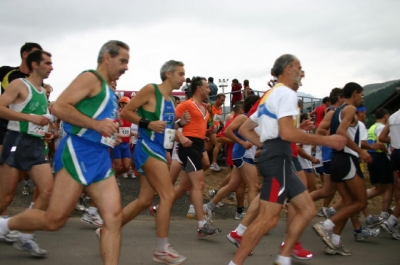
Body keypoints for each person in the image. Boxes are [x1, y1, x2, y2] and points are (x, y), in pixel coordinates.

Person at [0, 40, 129, 264]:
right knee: (54, 220)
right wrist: (96, 125)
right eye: (123, 60)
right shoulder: (90, 78)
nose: (126, 67)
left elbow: (98, 123)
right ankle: (5, 225)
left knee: (114, 218)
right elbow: (59, 107)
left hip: (99, 157)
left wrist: (109, 135)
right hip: (77, 152)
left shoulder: (109, 90)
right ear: (107, 57)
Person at [228, 54, 345, 265]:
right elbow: (288, 133)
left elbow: (246, 128)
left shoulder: (270, 95)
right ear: (289, 68)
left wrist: (264, 144)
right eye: (299, 68)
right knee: (268, 219)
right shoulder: (287, 94)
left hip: (277, 156)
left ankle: (283, 257)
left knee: (308, 209)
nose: (302, 73)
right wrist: (327, 141)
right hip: (278, 158)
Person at [117, 60, 188, 264]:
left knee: (145, 200)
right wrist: (147, 123)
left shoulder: (170, 100)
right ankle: (161, 249)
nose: (183, 79)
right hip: (146, 147)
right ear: (168, 74)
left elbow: (164, 127)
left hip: (158, 149)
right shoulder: (150, 90)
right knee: (167, 195)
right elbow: (126, 112)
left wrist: (179, 125)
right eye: (180, 74)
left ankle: (109, 227)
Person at [0, 50, 53, 255]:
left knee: (47, 190)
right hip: (16, 142)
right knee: (5, 198)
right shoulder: (19, 85)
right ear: (34, 64)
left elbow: (39, 121)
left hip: (35, 146)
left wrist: (45, 132)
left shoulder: (42, 90)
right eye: (47, 63)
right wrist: (29, 118)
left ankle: (25, 236)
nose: (51, 67)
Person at [312, 82, 373, 256]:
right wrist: (360, 150)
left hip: (336, 159)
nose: (362, 98)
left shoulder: (336, 110)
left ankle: (335, 242)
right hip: (347, 159)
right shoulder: (350, 109)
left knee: (348, 203)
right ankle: (325, 226)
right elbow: (341, 131)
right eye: (361, 94)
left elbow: (328, 130)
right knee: (361, 202)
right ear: (354, 93)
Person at [379, 109, 400, 240]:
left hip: (396, 154)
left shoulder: (393, 116)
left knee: (397, 187)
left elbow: (381, 137)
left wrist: (394, 140)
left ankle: (395, 219)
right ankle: (392, 221)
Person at [207, 93, 226, 171]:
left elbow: (217, 117)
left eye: (224, 100)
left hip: (216, 129)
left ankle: (201, 160)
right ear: (217, 98)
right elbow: (208, 116)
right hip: (209, 128)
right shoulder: (210, 106)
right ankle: (214, 163)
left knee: (208, 147)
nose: (223, 102)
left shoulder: (220, 108)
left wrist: (223, 125)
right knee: (218, 143)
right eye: (222, 100)